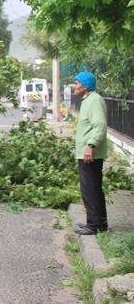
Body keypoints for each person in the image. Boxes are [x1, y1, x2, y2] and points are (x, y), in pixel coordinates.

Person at [73, 71, 108, 235]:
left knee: (90, 189)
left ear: (85, 86)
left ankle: (95, 225)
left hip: (90, 154)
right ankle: (98, 223)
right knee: (92, 188)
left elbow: (100, 125)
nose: (75, 86)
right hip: (87, 153)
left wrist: (90, 145)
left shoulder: (94, 100)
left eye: (77, 83)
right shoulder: (88, 100)